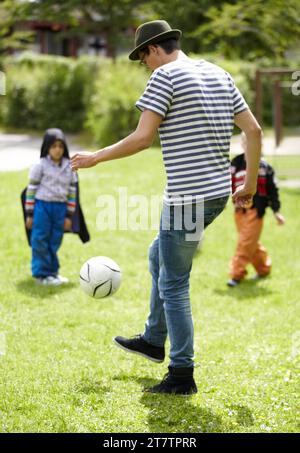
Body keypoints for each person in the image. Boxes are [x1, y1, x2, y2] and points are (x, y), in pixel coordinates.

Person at [71, 20, 262, 395]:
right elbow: (252, 131)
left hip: (186, 198)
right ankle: (153, 339)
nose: (146, 67)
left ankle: (181, 373)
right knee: (158, 253)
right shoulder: (218, 74)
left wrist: (96, 157)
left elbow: (143, 138)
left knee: (174, 283)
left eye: (143, 59)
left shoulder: (165, 77)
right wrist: (250, 184)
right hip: (216, 194)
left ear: (154, 49)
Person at [23, 128, 90, 286]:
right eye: (53, 146)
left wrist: (68, 216)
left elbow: (73, 193)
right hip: (42, 207)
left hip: (60, 209)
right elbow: (31, 191)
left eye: (60, 146)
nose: (57, 149)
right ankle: (41, 274)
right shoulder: (39, 166)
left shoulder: (70, 167)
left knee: (55, 240)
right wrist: (30, 214)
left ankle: (52, 273)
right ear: (47, 147)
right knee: (40, 239)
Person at [227, 133, 285, 287]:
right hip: (239, 211)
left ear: (261, 145)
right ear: (243, 144)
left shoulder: (264, 168)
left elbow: (273, 191)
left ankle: (236, 274)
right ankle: (263, 268)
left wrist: (276, 211)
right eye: (247, 142)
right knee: (251, 242)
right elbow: (227, 182)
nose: (251, 145)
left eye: (255, 143)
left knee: (245, 242)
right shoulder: (236, 163)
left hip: (255, 211)